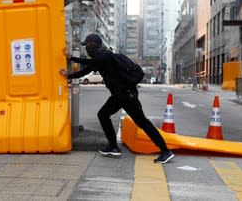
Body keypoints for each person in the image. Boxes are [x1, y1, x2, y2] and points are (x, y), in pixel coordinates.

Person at [59, 33, 175, 164]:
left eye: (87, 45)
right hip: (121, 95)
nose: (86, 48)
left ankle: (165, 151)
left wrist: (67, 75)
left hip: (125, 95)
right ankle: (113, 146)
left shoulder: (102, 57)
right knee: (103, 114)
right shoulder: (105, 55)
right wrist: (72, 58)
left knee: (142, 123)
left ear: (93, 45)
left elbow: (86, 70)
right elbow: (91, 63)